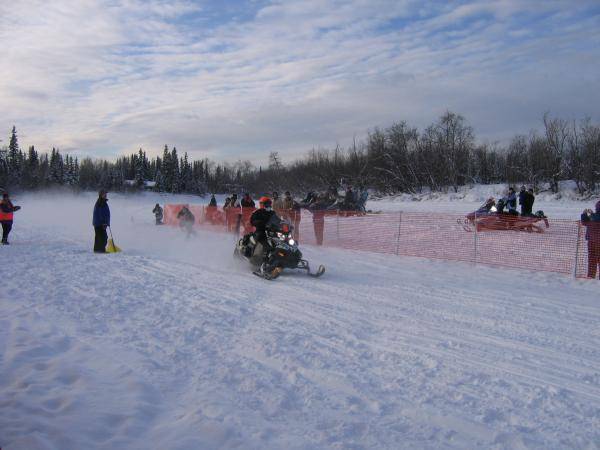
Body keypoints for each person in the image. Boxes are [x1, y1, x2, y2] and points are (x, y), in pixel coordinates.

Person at [581, 201, 600, 279]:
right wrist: (587, 214)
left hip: (591, 240)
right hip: (593, 241)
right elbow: (585, 222)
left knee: (592, 258)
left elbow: (585, 222)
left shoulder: (593, 217)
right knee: (594, 258)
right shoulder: (593, 217)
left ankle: (591, 275)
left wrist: (585, 214)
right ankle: (591, 275)